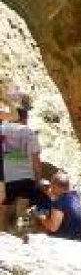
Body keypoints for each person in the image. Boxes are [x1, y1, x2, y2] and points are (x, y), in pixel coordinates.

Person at [1, 94, 43, 232]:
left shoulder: (4, 129)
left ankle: (3, 233)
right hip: (25, 176)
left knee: (5, 207)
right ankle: (23, 234)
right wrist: (38, 180)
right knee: (23, 207)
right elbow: (36, 159)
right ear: (25, 118)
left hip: (7, 175)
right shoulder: (29, 132)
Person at [33, 172, 81, 242]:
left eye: (52, 186)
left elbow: (52, 227)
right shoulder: (76, 196)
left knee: (40, 226)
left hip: (65, 241)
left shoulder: (59, 202)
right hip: (80, 239)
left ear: (55, 187)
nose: (50, 189)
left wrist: (40, 216)